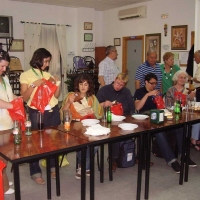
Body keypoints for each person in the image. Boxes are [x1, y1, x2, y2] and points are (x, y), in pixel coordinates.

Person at [134, 72, 197, 173]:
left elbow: (163, 107)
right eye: (152, 83)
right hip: (146, 118)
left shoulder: (157, 92)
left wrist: (160, 101)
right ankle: (172, 160)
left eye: (155, 83)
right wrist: (148, 95)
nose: (154, 85)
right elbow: (137, 107)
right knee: (159, 132)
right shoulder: (139, 92)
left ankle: (184, 155)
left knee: (180, 127)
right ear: (146, 82)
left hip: (159, 115)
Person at [20, 48, 61, 185]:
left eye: (49, 61)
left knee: (53, 141)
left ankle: (53, 167)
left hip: (53, 111)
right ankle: (35, 171)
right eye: (46, 61)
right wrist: (33, 85)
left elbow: (56, 96)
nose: (47, 64)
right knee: (35, 142)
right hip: (36, 112)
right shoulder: (26, 75)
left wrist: (57, 84)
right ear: (38, 59)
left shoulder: (48, 74)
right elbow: (24, 98)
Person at [61, 74, 102, 179]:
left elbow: (99, 114)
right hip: (75, 124)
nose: (83, 87)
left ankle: (82, 166)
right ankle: (86, 167)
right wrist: (69, 102)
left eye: (86, 84)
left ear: (89, 86)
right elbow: (64, 112)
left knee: (96, 143)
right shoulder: (71, 95)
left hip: (90, 124)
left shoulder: (92, 98)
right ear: (77, 85)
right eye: (81, 84)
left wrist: (92, 112)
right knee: (80, 141)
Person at [96, 73, 134, 171]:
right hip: (107, 119)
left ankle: (132, 155)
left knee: (134, 130)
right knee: (115, 132)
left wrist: (129, 119)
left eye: (121, 85)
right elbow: (95, 107)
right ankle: (113, 159)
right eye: (117, 83)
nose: (118, 86)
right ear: (114, 79)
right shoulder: (104, 90)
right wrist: (104, 104)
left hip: (123, 118)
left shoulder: (126, 92)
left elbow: (131, 108)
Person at [166, 70, 200, 151]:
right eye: (181, 77)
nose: (183, 79)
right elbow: (169, 106)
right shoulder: (171, 90)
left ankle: (193, 140)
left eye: (185, 78)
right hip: (174, 115)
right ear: (176, 78)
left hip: (186, 115)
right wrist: (185, 96)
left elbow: (190, 105)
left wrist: (191, 98)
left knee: (198, 120)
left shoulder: (188, 90)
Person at [0, 49, 15, 195]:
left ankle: (2, 178)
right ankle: (3, 186)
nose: (4, 69)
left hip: (7, 122)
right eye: (2, 66)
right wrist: (12, 105)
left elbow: (9, 95)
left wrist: (17, 99)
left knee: (5, 155)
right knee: (0, 157)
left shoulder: (4, 78)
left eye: (6, 66)